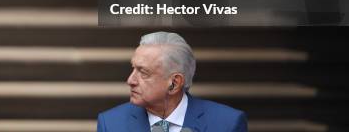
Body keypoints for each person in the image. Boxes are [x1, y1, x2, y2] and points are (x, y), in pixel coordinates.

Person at [97, 31, 247, 132]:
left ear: (174, 83)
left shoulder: (228, 123)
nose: (130, 80)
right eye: (133, 68)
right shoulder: (110, 123)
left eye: (143, 72)